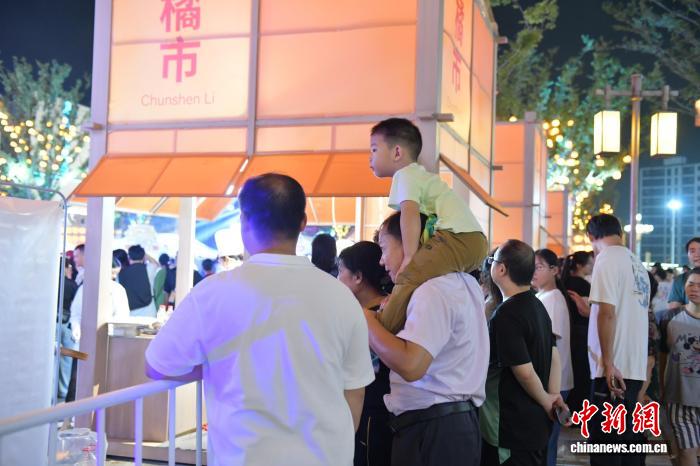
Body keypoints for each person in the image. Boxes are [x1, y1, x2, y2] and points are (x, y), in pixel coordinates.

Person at [145, 173, 374, 466]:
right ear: (303, 223)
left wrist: (215, 366)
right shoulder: (342, 297)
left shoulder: (212, 293)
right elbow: (355, 390)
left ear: (244, 221)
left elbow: (156, 365)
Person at [363, 210, 488, 466]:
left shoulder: (432, 289)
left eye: (384, 248)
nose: (382, 261)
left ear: (409, 241)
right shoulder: (463, 282)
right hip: (453, 426)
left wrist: (366, 321)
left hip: (433, 430)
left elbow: (411, 365)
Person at [369, 118, 488, 334]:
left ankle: (383, 325)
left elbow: (409, 215)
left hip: (458, 237)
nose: (370, 157)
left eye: (374, 149)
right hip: (471, 239)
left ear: (397, 152)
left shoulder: (405, 175)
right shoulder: (419, 176)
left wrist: (409, 257)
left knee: (409, 275)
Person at [481, 240, 565, 466]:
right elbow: (554, 357)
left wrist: (547, 401)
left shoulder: (506, 314)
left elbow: (524, 371)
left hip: (510, 428)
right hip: (535, 425)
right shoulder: (537, 306)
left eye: (493, 260)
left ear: (501, 269)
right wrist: (553, 396)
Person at [585, 214, 650, 466]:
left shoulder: (606, 258)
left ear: (591, 236)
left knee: (606, 448)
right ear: (620, 233)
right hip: (633, 367)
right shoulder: (636, 263)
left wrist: (609, 363)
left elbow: (607, 313)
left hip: (613, 370)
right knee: (627, 444)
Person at [337, 241, 393, 466]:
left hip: (370, 414)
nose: (337, 278)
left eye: (340, 271)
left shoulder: (369, 316)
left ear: (358, 277)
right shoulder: (391, 306)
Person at [532, 248, 574, 466]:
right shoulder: (543, 297)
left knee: (546, 444)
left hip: (553, 385)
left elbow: (550, 347)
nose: (533, 272)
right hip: (550, 384)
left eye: (539, 267)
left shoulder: (553, 300)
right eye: (532, 267)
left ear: (554, 270)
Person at [660, 268, 700, 466]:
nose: (695, 289)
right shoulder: (670, 318)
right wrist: (661, 389)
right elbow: (662, 357)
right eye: (691, 284)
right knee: (686, 453)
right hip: (680, 399)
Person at [561, 251, 594, 413]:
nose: (592, 267)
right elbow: (586, 312)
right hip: (582, 335)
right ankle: (579, 413)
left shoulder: (563, 282)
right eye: (589, 264)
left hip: (568, 332)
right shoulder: (584, 286)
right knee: (582, 375)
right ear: (580, 265)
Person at [668, 237, 700, 311]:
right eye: (692, 251)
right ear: (688, 255)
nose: (697, 254)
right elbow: (674, 310)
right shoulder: (681, 280)